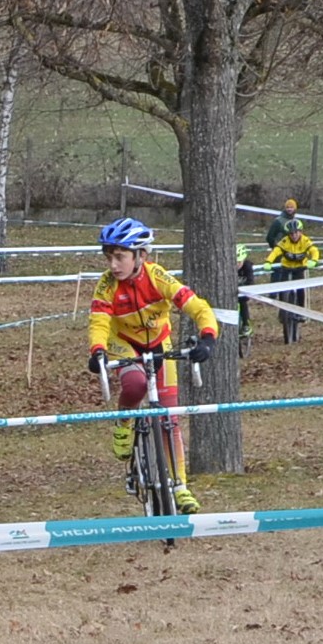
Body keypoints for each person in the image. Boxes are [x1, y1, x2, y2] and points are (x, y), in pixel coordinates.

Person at [86, 218, 220, 513]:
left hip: (159, 343)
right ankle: (123, 422)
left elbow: (197, 306)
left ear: (141, 256)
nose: (113, 264)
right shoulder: (107, 284)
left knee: (169, 420)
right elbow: (99, 321)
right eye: (109, 257)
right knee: (134, 384)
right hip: (123, 341)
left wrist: (208, 338)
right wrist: (97, 351)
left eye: (120, 257)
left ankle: (181, 487)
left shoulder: (158, 276)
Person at [264, 216, 321, 343]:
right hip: (287, 267)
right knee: (282, 288)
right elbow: (276, 251)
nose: (294, 235)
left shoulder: (305, 241)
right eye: (291, 233)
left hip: (300, 268)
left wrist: (314, 260)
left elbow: (314, 250)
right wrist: (268, 261)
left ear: (300, 232)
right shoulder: (285, 241)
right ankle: (282, 310)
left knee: (300, 289)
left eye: (296, 233)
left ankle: (300, 311)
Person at [234, 241, 256, 338]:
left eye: (239, 262)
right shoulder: (228, 268)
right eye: (235, 262)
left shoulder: (247, 266)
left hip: (244, 291)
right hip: (232, 292)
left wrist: (246, 288)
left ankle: (246, 324)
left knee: (243, 303)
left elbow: (251, 280)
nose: (237, 265)